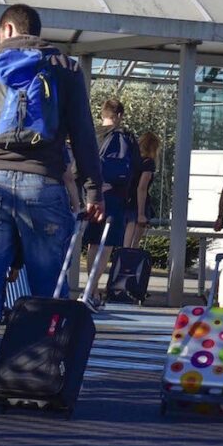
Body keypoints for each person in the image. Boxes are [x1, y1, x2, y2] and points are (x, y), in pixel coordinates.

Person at [0, 3, 103, 406]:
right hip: (44, 187)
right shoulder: (64, 68)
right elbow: (83, 132)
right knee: (50, 288)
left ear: (8, 28)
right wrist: (92, 191)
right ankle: (39, 377)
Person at [83, 98, 138, 311]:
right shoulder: (124, 137)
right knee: (106, 244)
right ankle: (92, 290)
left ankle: (92, 289)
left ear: (102, 114)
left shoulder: (90, 134)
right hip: (113, 196)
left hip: (91, 194)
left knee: (93, 243)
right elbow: (133, 167)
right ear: (120, 115)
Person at [123, 132, 161, 248]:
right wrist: (141, 213)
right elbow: (142, 188)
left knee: (126, 242)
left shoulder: (131, 160)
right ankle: (129, 262)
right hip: (138, 205)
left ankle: (123, 261)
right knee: (133, 243)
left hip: (126, 200)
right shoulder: (148, 163)